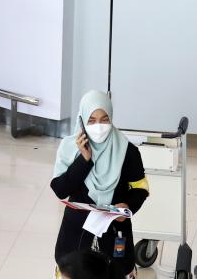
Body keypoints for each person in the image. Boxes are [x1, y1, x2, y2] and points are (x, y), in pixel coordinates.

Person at [50, 90, 150, 277]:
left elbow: (140, 188)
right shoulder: (69, 148)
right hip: (76, 234)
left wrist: (127, 206)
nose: (99, 126)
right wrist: (84, 160)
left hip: (114, 232)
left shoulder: (128, 151)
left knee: (115, 272)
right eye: (92, 120)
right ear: (82, 121)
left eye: (104, 119)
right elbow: (60, 190)